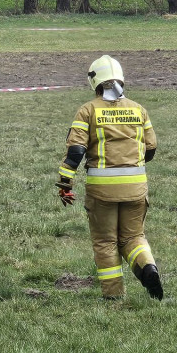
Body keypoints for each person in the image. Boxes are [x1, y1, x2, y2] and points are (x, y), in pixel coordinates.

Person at [55, 55, 162, 300]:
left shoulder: (88, 111)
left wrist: (65, 184)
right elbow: (151, 148)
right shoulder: (138, 109)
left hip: (102, 191)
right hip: (136, 189)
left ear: (94, 81)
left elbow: (75, 152)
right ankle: (148, 268)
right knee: (133, 237)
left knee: (105, 241)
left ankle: (113, 296)